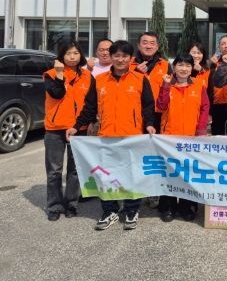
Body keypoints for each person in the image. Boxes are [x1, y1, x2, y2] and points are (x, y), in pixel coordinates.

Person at [66, 40, 156, 231]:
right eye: (117, 55)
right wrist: (76, 126)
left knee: (132, 175)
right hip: (106, 136)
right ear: (111, 57)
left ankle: (132, 210)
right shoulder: (99, 80)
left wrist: (149, 124)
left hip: (132, 136)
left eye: (124, 56)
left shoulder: (140, 79)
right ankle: (110, 211)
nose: (120, 59)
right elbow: (90, 107)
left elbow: (148, 106)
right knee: (107, 176)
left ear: (131, 58)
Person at [155, 53, 210, 222]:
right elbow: (160, 106)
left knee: (189, 173)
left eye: (187, 65)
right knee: (170, 172)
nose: (184, 69)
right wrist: (165, 86)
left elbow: (205, 107)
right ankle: (168, 207)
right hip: (169, 137)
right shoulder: (167, 83)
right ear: (174, 67)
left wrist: (201, 130)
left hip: (191, 137)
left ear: (192, 68)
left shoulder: (199, 84)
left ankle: (187, 207)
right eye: (180, 65)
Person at [43, 41, 94, 221]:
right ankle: (54, 206)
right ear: (61, 56)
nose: (72, 57)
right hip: (55, 129)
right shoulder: (50, 74)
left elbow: (90, 105)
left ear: (81, 55)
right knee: (54, 171)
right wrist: (59, 74)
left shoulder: (88, 76)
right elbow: (57, 94)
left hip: (78, 129)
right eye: (68, 53)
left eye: (76, 53)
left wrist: (79, 125)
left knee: (75, 170)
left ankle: (71, 203)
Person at [130, 31, 172, 132]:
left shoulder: (165, 65)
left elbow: (172, 90)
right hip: (135, 113)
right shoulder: (129, 64)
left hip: (159, 113)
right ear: (138, 46)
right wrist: (136, 73)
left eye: (152, 43)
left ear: (157, 47)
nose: (148, 46)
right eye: (145, 43)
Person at [209, 35, 227, 135]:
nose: (226, 46)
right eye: (223, 44)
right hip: (217, 103)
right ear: (219, 47)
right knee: (217, 134)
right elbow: (209, 85)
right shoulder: (214, 62)